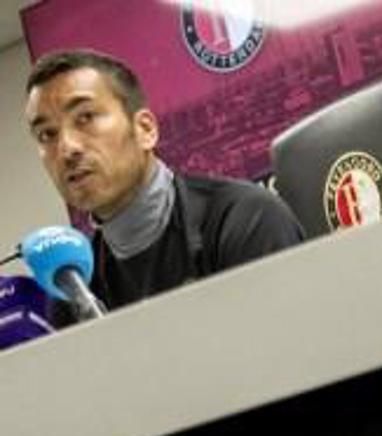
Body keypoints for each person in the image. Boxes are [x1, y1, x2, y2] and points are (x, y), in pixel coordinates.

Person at [24, 48, 304, 318]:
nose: (66, 149)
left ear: (145, 130)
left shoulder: (244, 219)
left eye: (85, 118)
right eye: (47, 135)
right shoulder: (73, 286)